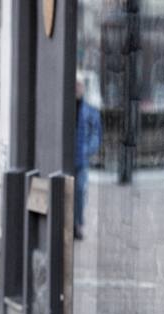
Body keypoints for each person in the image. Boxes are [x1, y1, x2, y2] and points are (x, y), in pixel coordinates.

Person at [74, 78, 101, 240]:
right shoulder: (66, 107)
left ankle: (77, 224)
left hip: (81, 160)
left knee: (79, 192)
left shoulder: (90, 111)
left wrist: (87, 150)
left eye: (80, 85)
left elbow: (96, 135)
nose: (77, 88)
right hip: (68, 159)